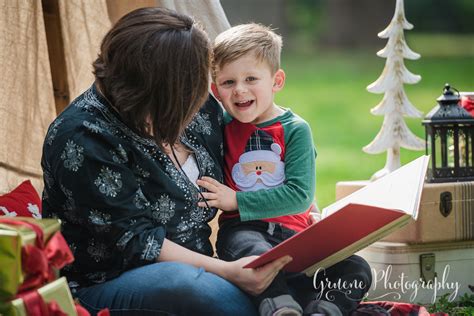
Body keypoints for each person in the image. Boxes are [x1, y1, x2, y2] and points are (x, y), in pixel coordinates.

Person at [41, 8, 292, 316]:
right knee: (194, 288)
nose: (197, 102)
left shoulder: (197, 105)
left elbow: (249, 156)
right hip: (108, 280)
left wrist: (298, 208)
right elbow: (138, 242)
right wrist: (227, 272)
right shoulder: (82, 138)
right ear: (150, 90)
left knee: (295, 275)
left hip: (208, 265)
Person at [197, 23, 372, 316]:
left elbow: (299, 195)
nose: (240, 90)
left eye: (251, 78)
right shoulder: (220, 127)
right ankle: (280, 307)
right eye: (228, 83)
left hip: (295, 235)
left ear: (276, 81)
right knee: (253, 252)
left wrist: (237, 200)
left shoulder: (295, 130)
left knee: (356, 267)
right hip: (244, 230)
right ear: (215, 90)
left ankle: (324, 309)